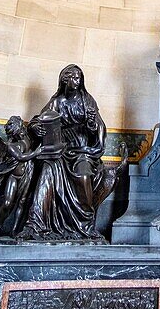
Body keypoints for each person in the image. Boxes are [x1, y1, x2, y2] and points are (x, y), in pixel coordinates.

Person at [21, 63, 114, 241]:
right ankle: (35, 224)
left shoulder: (87, 100)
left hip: (82, 149)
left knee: (83, 176)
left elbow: (99, 126)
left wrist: (92, 125)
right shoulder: (56, 102)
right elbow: (39, 121)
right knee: (46, 175)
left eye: (80, 78)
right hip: (60, 150)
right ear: (65, 79)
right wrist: (36, 128)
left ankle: (85, 225)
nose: (78, 81)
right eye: (74, 77)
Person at [0, 115, 38, 238]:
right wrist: (38, 152)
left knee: (22, 202)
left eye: (13, 126)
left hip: (28, 173)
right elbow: (21, 157)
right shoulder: (11, 146)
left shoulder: (29, 137)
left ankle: (16, 229)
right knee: (7, 203)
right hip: (14, 176)